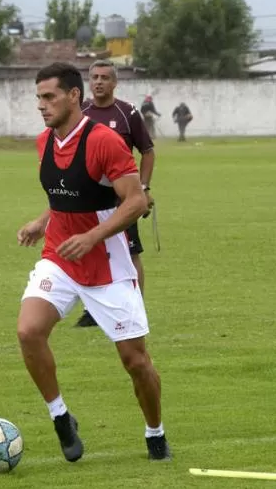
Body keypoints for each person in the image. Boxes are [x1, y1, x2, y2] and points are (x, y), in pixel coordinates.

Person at [16, 61, 171, 462]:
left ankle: (155, 432)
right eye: (38, 98)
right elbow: (67, 193)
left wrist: (92, 237)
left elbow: (136, 201)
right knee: (29, 331)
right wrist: (41, 220)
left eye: (49, 97)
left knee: (135, 362)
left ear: (73, 96)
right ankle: (61, 417)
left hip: (106, 264)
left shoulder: (104, 141)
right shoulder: (44, 143)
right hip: (60, 258)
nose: (42, 106)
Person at [74, 59, 155, 329]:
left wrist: (143, 189)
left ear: (115, 82)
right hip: (87, 198)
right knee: (88, 250)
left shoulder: (127, 113)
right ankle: (92, 310)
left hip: (122, 198)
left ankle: (135, 307)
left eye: (104, 77)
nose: (98, 82)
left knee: (130, 252)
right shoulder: (80, 112)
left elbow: (147, 151)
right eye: (94, 77)